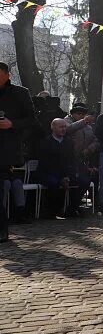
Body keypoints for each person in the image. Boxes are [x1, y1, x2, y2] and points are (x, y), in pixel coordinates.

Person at [1, 62, 38, 238]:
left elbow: (31, 119)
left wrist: (12, 124)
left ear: (7, 75)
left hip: (6, 149)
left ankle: (2, 230)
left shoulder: (20, 93)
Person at [35, 118, 85, 218]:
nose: (63, 129)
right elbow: (45, 164)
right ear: (53, 128)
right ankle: (53, 211)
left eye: (64, 127)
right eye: (60, 127)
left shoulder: (69, 142)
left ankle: (71, 209)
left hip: (65, 174)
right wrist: (61, 177)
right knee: (54, 183)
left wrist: (67, 176)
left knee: (84, 181)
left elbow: (72, 161)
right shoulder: (46, 142)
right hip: (49, 173)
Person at [63, 103, 99, 205]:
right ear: (73, 113)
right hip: (69, 158)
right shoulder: (66, 121)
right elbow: (68, 130)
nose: (81, 116)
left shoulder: (88, 127)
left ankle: (75, 203)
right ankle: (67, 204)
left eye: (83, 114)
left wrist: (89, 149)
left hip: (83, 158)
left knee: (84, 182)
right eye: (79, 114)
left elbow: (95, 140)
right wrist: (82, 122)